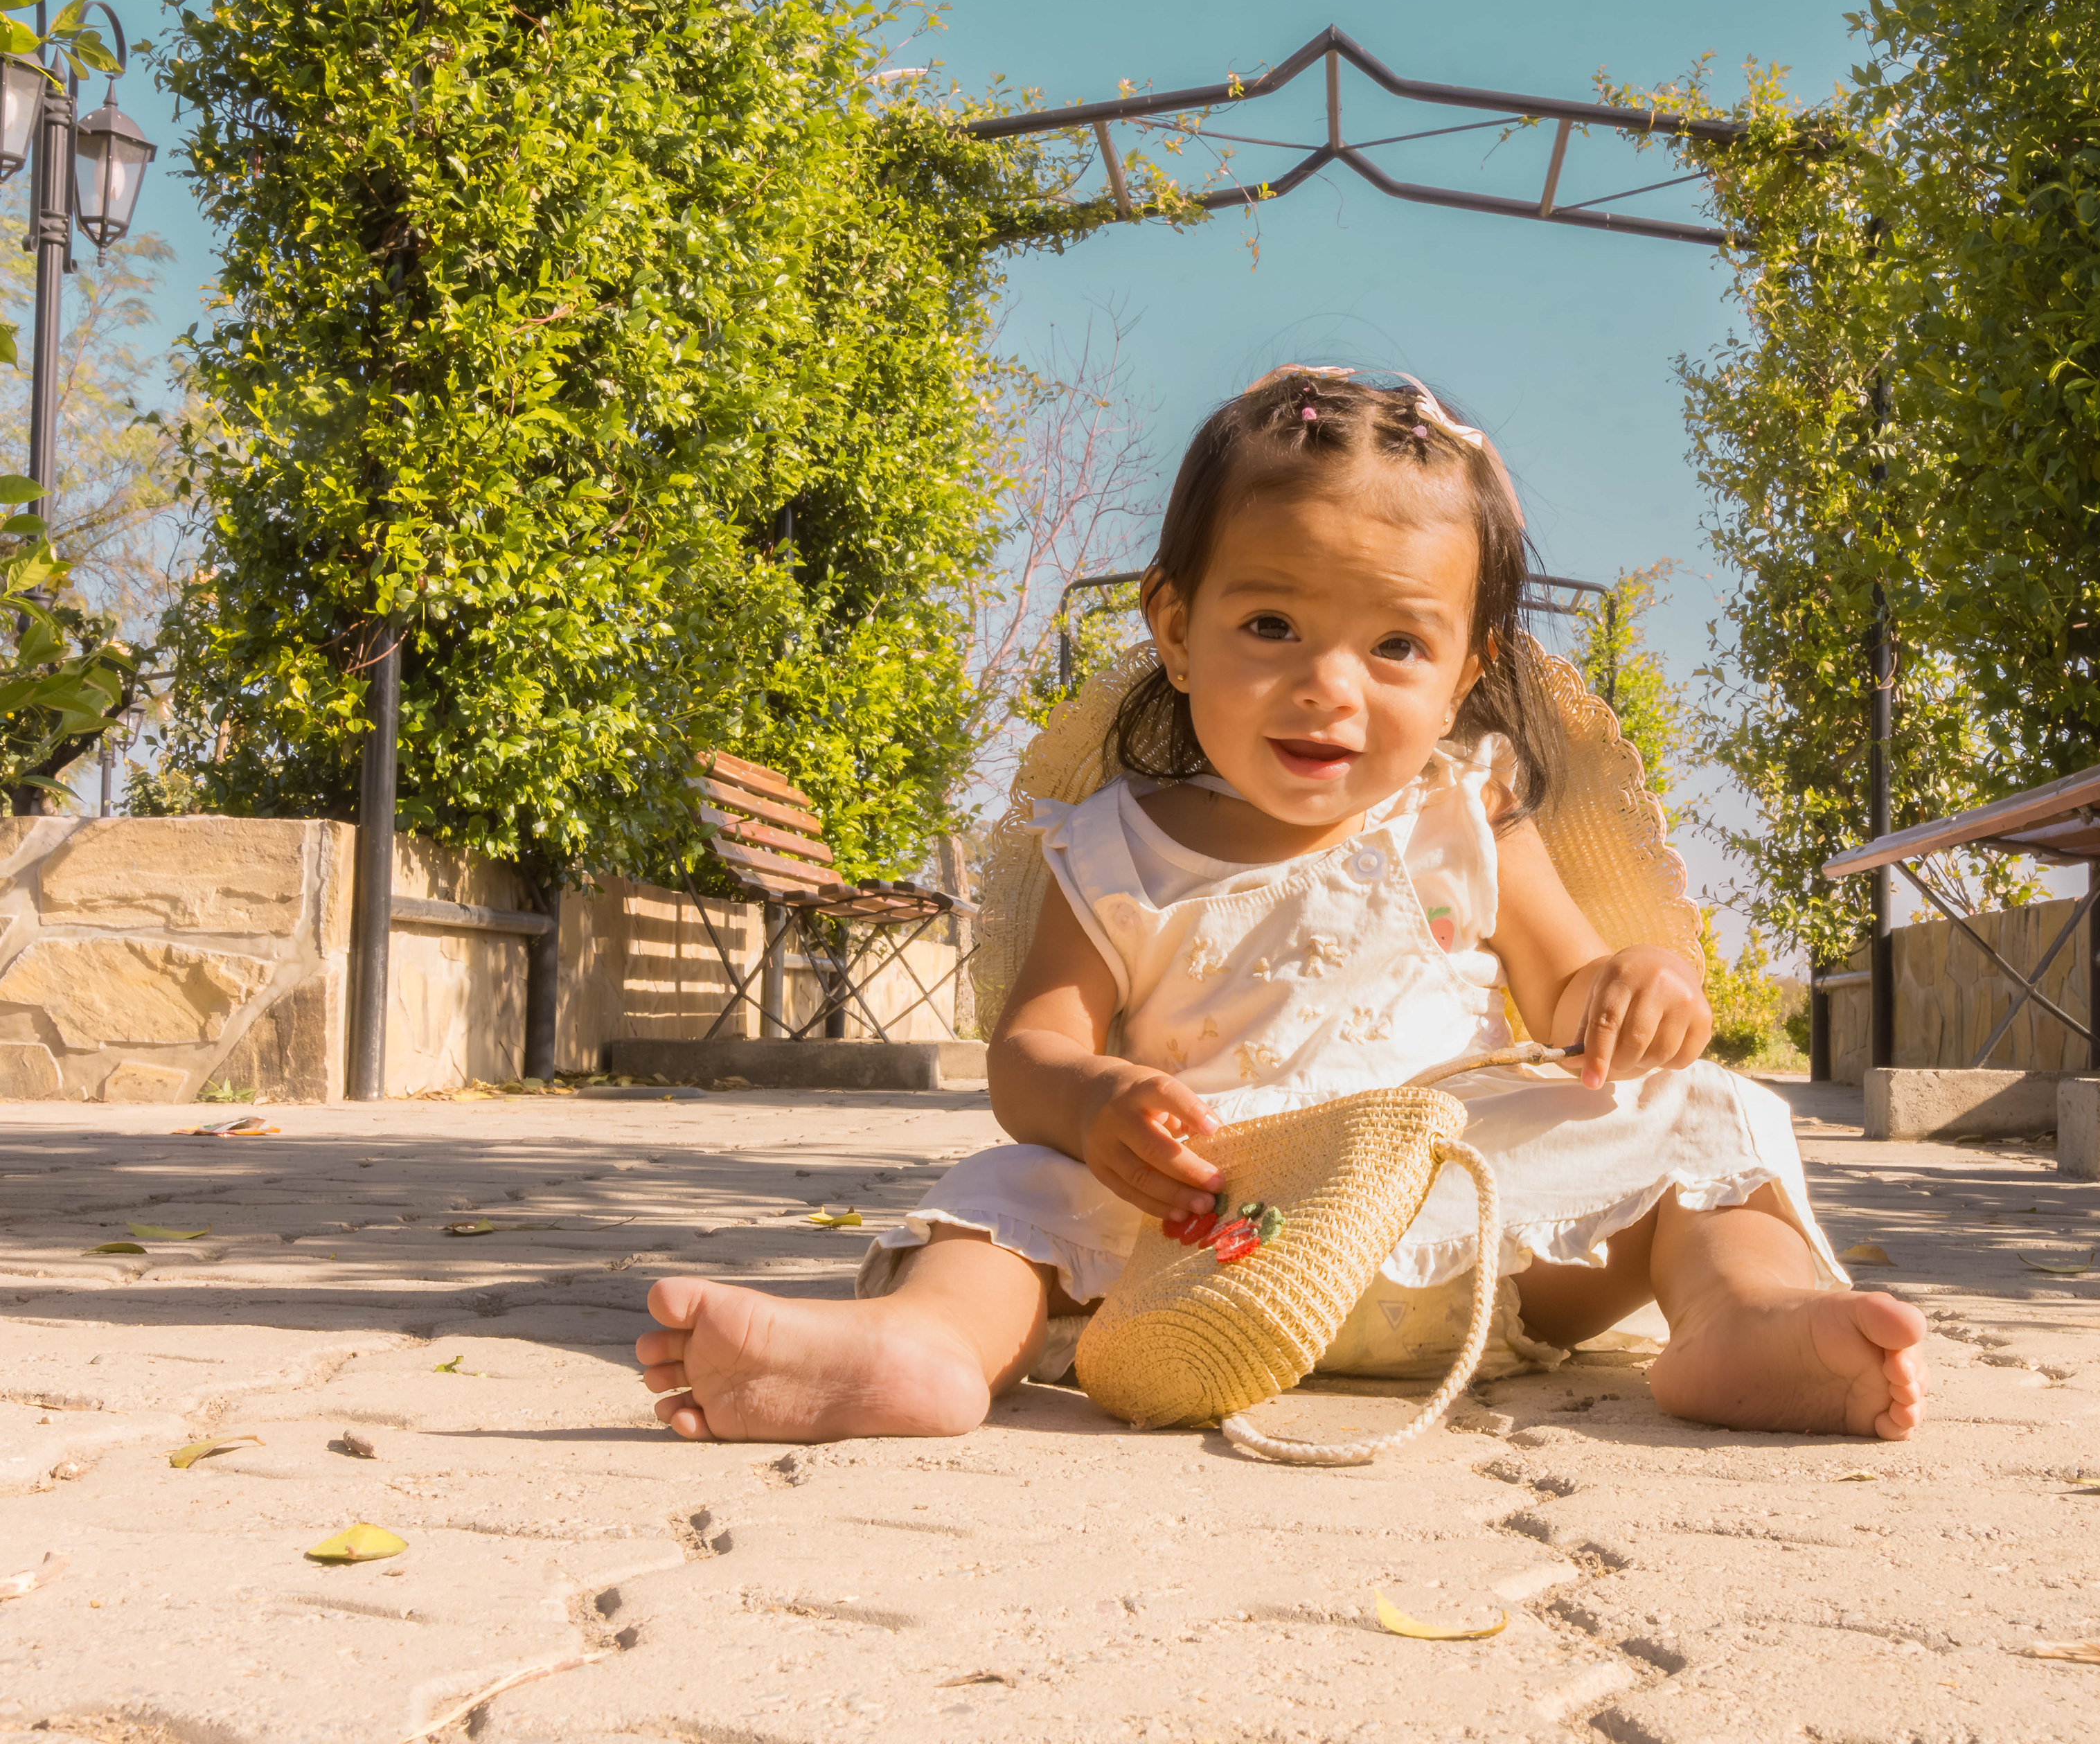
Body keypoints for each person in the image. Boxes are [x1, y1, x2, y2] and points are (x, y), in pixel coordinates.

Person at [636, 365, 1929, 1445]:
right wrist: (1095, 1109)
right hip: (1207, 1229)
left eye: (1397, 646)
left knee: (1706, 1113)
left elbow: (1572, 992)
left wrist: (1639, 988)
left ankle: (1746, 1325)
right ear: (1177, 629)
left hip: (1464, 1222)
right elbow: (1030, 1053)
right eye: (1270, 625)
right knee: (1013, 1186)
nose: (1330, 688)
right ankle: (919, 1350)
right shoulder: (1113, 848)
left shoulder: (1465, 811)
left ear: (1466, 669)